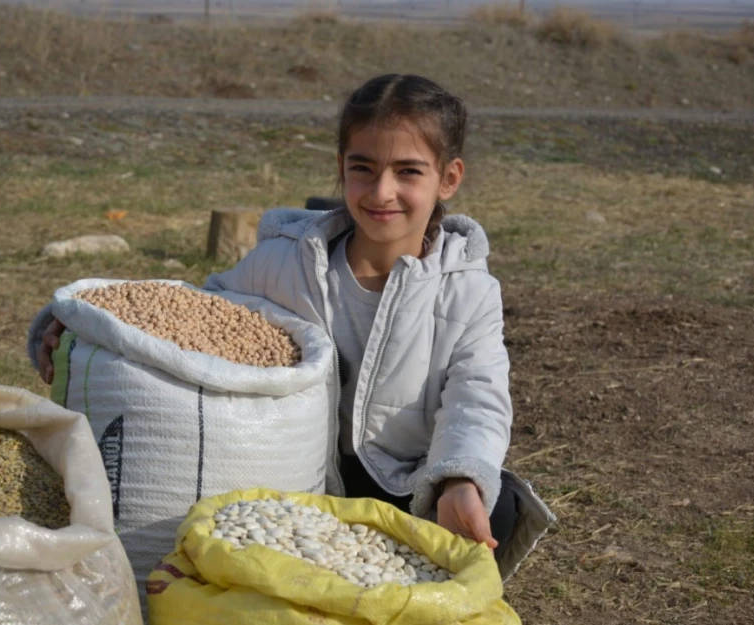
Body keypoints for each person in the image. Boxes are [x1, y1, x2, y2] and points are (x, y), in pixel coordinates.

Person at [31, 74, 553, 578]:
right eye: (363, 168)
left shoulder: (469, 291)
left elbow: (477, 397)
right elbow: (197, 319)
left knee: (497, 502)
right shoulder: (286, 262)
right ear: (341, 167)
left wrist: (460, 478)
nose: (382, 191)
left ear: (449, 178)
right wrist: (82, 323)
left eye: (409, 172)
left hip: (403, 482)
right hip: (291, 477)